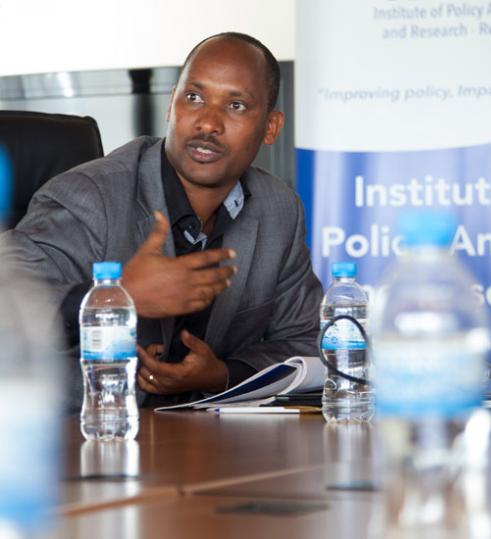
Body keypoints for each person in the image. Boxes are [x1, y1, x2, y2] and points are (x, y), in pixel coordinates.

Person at [5, 32, 322, 407]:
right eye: (194, 98)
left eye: (235, 105)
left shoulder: (277, 209)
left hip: (203, 446)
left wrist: (223, 374)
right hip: (75, 438)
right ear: (171, 105)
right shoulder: (89, 196)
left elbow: (309, 340)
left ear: (271, 127)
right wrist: (117, 298)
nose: (208, 123)